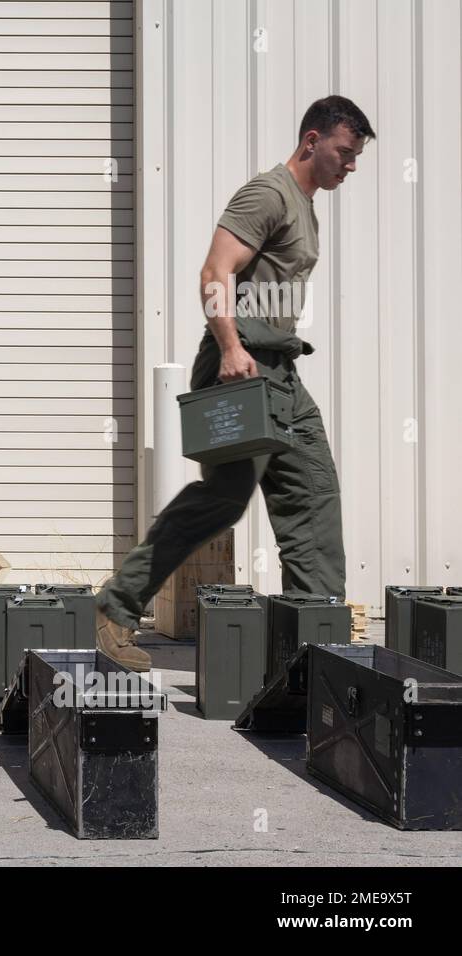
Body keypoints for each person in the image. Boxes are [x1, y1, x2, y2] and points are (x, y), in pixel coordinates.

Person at [95, 96, 376, 671]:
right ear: (311, 141)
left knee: (313, 500)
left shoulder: (305, 205)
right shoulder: (267, 194)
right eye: (344, 153)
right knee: (222, 500)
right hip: (240, 367)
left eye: (356, 158)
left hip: (280, 374)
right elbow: (214, 270)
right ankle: (115, 611)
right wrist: (229, 347)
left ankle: (315, 650)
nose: (350, 166)